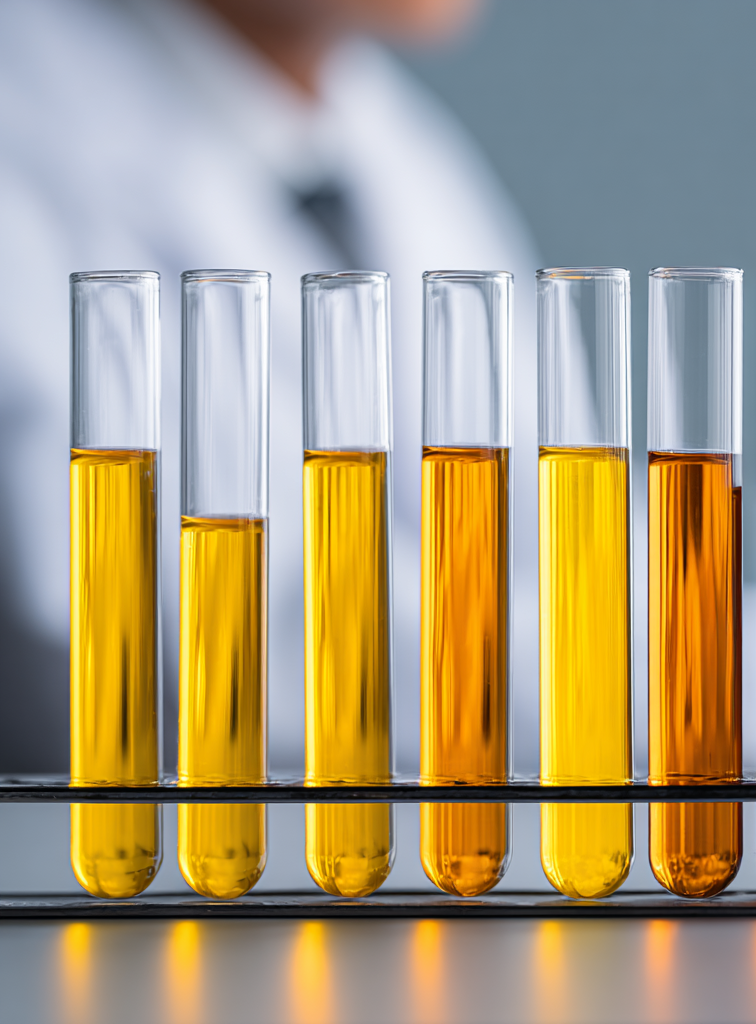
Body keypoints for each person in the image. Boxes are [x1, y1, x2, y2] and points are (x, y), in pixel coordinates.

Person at [0, 0, 540, 774]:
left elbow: (563, 550)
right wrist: (716, 670)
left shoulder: (381, 135)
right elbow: (185, 641)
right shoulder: (27, 121)